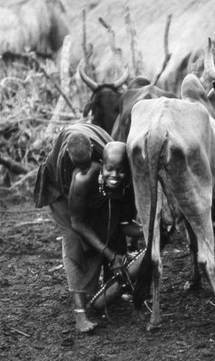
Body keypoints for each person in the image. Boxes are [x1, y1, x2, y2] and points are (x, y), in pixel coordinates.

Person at [34, 123, 143, 333]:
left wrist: (149, 230)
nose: (115, 174)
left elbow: (121, 222)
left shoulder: (116, 161)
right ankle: (80, 315)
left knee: (106, 229)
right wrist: (111, 256)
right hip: (61, 192)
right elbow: (78, 223)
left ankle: (110, 287)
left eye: (119, 171)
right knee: (75, 242)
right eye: (110, 171)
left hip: (93, 187)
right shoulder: (83, 176)